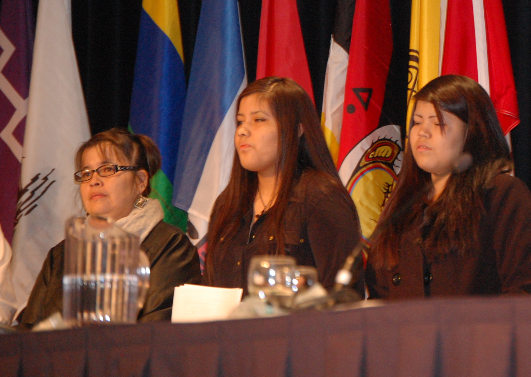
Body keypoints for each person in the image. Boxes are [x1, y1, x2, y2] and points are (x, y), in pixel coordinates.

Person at [366, 75, 531, 299]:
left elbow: (524, 289)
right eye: (417, 122)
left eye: (438, 123)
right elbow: (377, 298)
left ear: (471, 132)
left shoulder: (501, 194)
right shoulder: (404, 204)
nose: (423, 132)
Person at [16, 128, 201, 329]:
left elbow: (156, 335)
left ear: (140, 181)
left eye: (107, 170)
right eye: (86, 173)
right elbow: (29, 335)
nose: (94, 180)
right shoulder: (60, 255)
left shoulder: (170, 246)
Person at [203, 77, 362, 293]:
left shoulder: (320, 197)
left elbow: (343, 295)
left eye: (259, 120)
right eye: (240, 121)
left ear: (297, 130)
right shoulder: (227, 204)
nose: (242, 131)